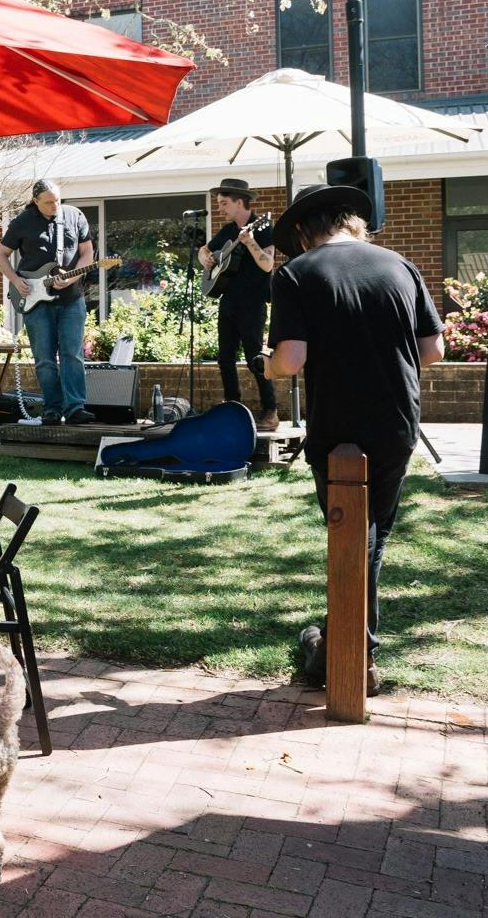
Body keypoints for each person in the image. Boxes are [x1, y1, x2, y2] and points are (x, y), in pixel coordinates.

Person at [262, 184, 444, 693]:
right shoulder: (400, 266)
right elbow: (434, 351)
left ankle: (349, 658)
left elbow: (291, 360)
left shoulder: (296, 274)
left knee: (351, 537)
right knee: (371, 536)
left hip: (336, 425)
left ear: (303, 231)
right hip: (396, 422)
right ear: (352, 221)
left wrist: (269, 364)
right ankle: (345, 652)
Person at [0, 180, 94, 424]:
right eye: (48, 202)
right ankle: (52, 409)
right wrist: (16, 281)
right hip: (35, 301)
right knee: (45, 358)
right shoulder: (22, 221)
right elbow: (0, 255)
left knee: (72, 354)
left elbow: (88, 254)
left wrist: (71, 279)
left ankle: (75, 408)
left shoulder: (74, 216)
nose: (54, 205)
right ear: (36, 201)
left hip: (71, 299)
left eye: (58, 200)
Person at [198, 177, 280, 431]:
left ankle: (271, 411)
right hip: (229, 301)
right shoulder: (228, 230)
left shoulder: (263, 227)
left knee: (254, 357)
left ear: (240, 202)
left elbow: (268, 264)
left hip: (252, 302)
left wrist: (250, 242)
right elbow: (204, 250)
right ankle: (233, 408)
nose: (220, 208)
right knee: (224, 358)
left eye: (224, 203)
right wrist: (208, 260)